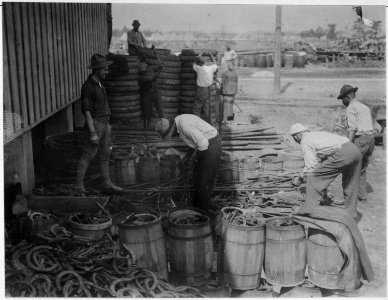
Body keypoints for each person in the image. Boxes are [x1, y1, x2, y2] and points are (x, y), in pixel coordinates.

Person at [289, 123, 362, 222]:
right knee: (350, 183)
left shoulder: (305, 141)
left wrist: (301, 178)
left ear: (296, 136)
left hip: (343, 153)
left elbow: (311, 167)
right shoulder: (316, 134)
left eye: (294, 138)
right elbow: (325, 158)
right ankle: (351, 214)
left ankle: (309, 209)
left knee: (313, 177)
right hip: (354, 150)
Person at [75, 54, 123, 193]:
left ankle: (107, 182)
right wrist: (93, 133)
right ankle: (78, 185)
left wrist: (108, 125)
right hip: (95, 124)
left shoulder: (100, 84)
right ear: (97, 70)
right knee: (88, 154)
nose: (107, 72)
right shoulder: (88, 87)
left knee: (105, 154)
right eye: (105, 70)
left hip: (105, 123)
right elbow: (87, 112)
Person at [155, 114, 222, 212]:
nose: (172, 136)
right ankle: (200, 204)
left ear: (171, 129)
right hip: (204, 144)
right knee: (198, 178)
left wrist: (197, 161)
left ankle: (203, 211)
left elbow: (203, 143)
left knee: (204, 178)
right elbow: (193, 142)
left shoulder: (184, 126)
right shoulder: (178, 123)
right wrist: (188, 157)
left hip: (211, 144)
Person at [337, 85, 375, 203]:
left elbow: (352, 129)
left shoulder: (351, 107)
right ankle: (362, 197)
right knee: (362, 168)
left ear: (347, 97)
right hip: (370, 139)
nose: (342, 102)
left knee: (349, 167)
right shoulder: (364, 106)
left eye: (342, 98)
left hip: (361, 139)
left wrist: (348, 144)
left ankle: (349, 198)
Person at [193, 54, 218, 124]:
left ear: (200, 63)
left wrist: (199, 55)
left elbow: (194, 63)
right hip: (208, 89)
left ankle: (196, 123)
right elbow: (216, 64)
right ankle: (209, 124)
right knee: (207, 107)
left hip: (201, 89)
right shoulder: (211, 68)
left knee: (197, 107)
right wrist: (212, 56)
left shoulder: (198, 68)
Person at [138, 61, 164, 128]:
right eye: (142, 72)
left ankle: (164, 125)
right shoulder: (141, 77)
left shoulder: (151, 68)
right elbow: (153, 78)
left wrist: (161, 65)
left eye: (145, 71)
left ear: (147, 68)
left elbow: (158, 66)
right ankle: (146, 128)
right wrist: (159, 71)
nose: (144, 72)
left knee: (160, 108)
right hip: (146, 93)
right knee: (147, 112)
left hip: (155, 91)